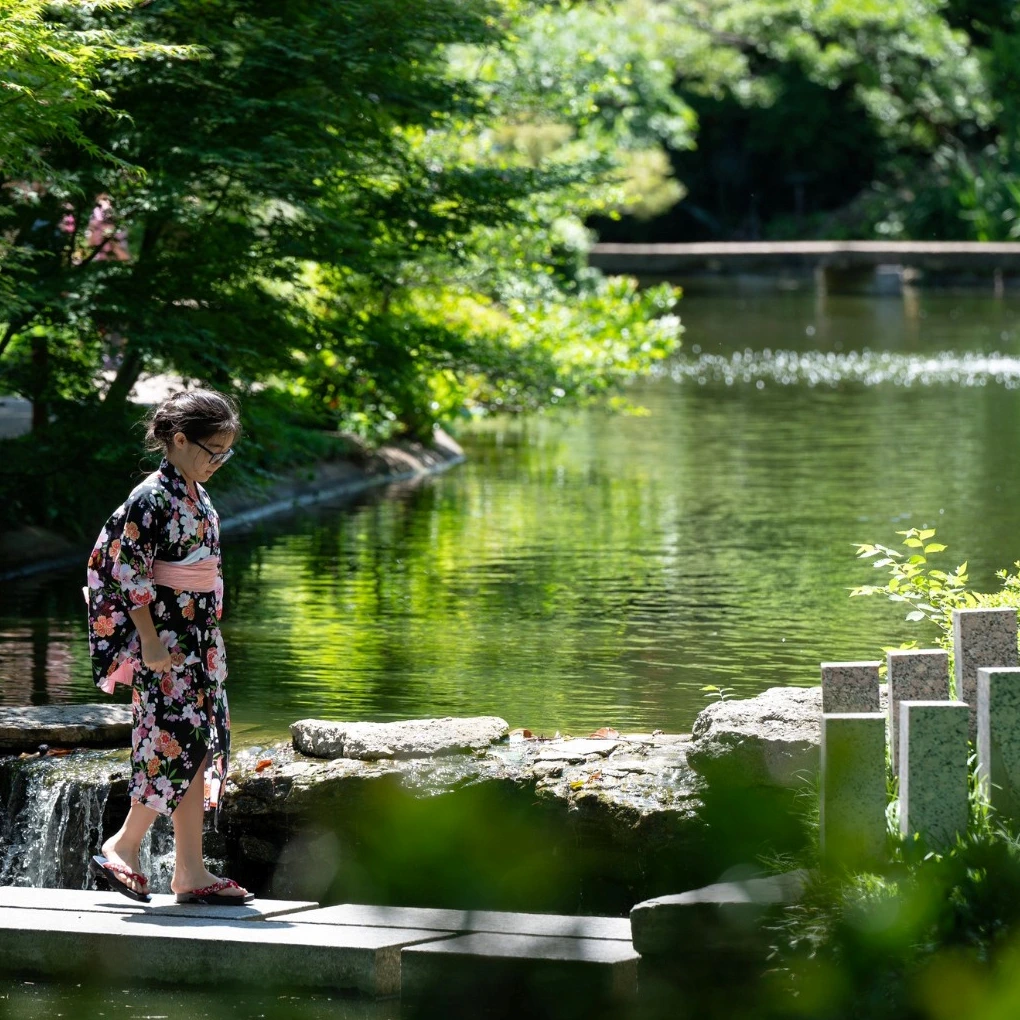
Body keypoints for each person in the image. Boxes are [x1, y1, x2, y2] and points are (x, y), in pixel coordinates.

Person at [84, 389, 253, 905]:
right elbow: (123, 569)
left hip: (198, 639)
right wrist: (149, 644)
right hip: (166, 642)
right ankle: (124, 844)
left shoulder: (196, 494)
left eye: (226, 452)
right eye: (213, 451)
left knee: (197, 744)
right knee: (172, 741)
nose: (219, 462)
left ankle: (190, 871)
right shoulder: (150, 496)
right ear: (179, 440)